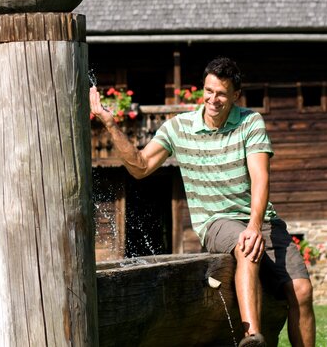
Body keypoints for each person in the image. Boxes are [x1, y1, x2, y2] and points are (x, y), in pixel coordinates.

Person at [89, 57, 315, 347]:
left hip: (261, 220)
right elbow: (140, 167)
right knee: (246, 248)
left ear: (235, 95)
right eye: (208, 91)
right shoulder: (178, 128)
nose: (213, 99)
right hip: (216, 221)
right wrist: (110, 125)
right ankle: (252, 337)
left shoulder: (250, 122)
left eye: (221, 93)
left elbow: (261, 178)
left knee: (302, 290)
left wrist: (256, 225)